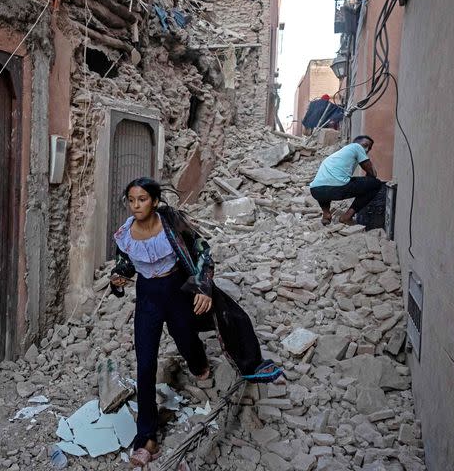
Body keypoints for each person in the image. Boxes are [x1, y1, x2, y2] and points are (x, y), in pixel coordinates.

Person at [110, 178, 283, 468]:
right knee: (145, 362)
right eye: (131, 200)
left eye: (142, 199)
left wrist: (202, 287)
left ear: (154, 201)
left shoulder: (173, 225)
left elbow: (203, 251)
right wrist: (118, 277)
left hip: (177, 290)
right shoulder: (125, 233)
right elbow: (125, 264)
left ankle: (199, 363)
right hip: (148, 298)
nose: (136, 205)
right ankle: (146, 437)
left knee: (185, 334)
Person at [309, 135, 382, 225]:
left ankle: (326, 214)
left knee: (326, 185)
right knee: (376, 184)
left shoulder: (337, 154)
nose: (366, 150)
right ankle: (347, 216)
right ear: (356, 143)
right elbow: (373, 173)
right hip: (337, 188)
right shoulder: (356, 147)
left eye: (369, 148)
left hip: (315, 190)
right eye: (365, 145)